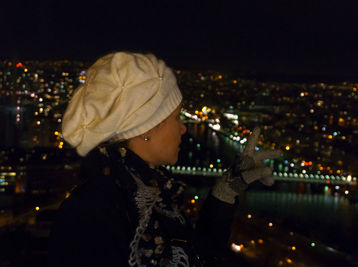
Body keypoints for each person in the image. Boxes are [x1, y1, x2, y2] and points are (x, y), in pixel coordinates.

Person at [48, 51, 282, 267]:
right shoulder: (92, 212)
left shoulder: (150, 192)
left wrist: (223, 197)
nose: (183, 129)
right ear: (144, 129)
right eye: (176, 117)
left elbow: (199, 253)